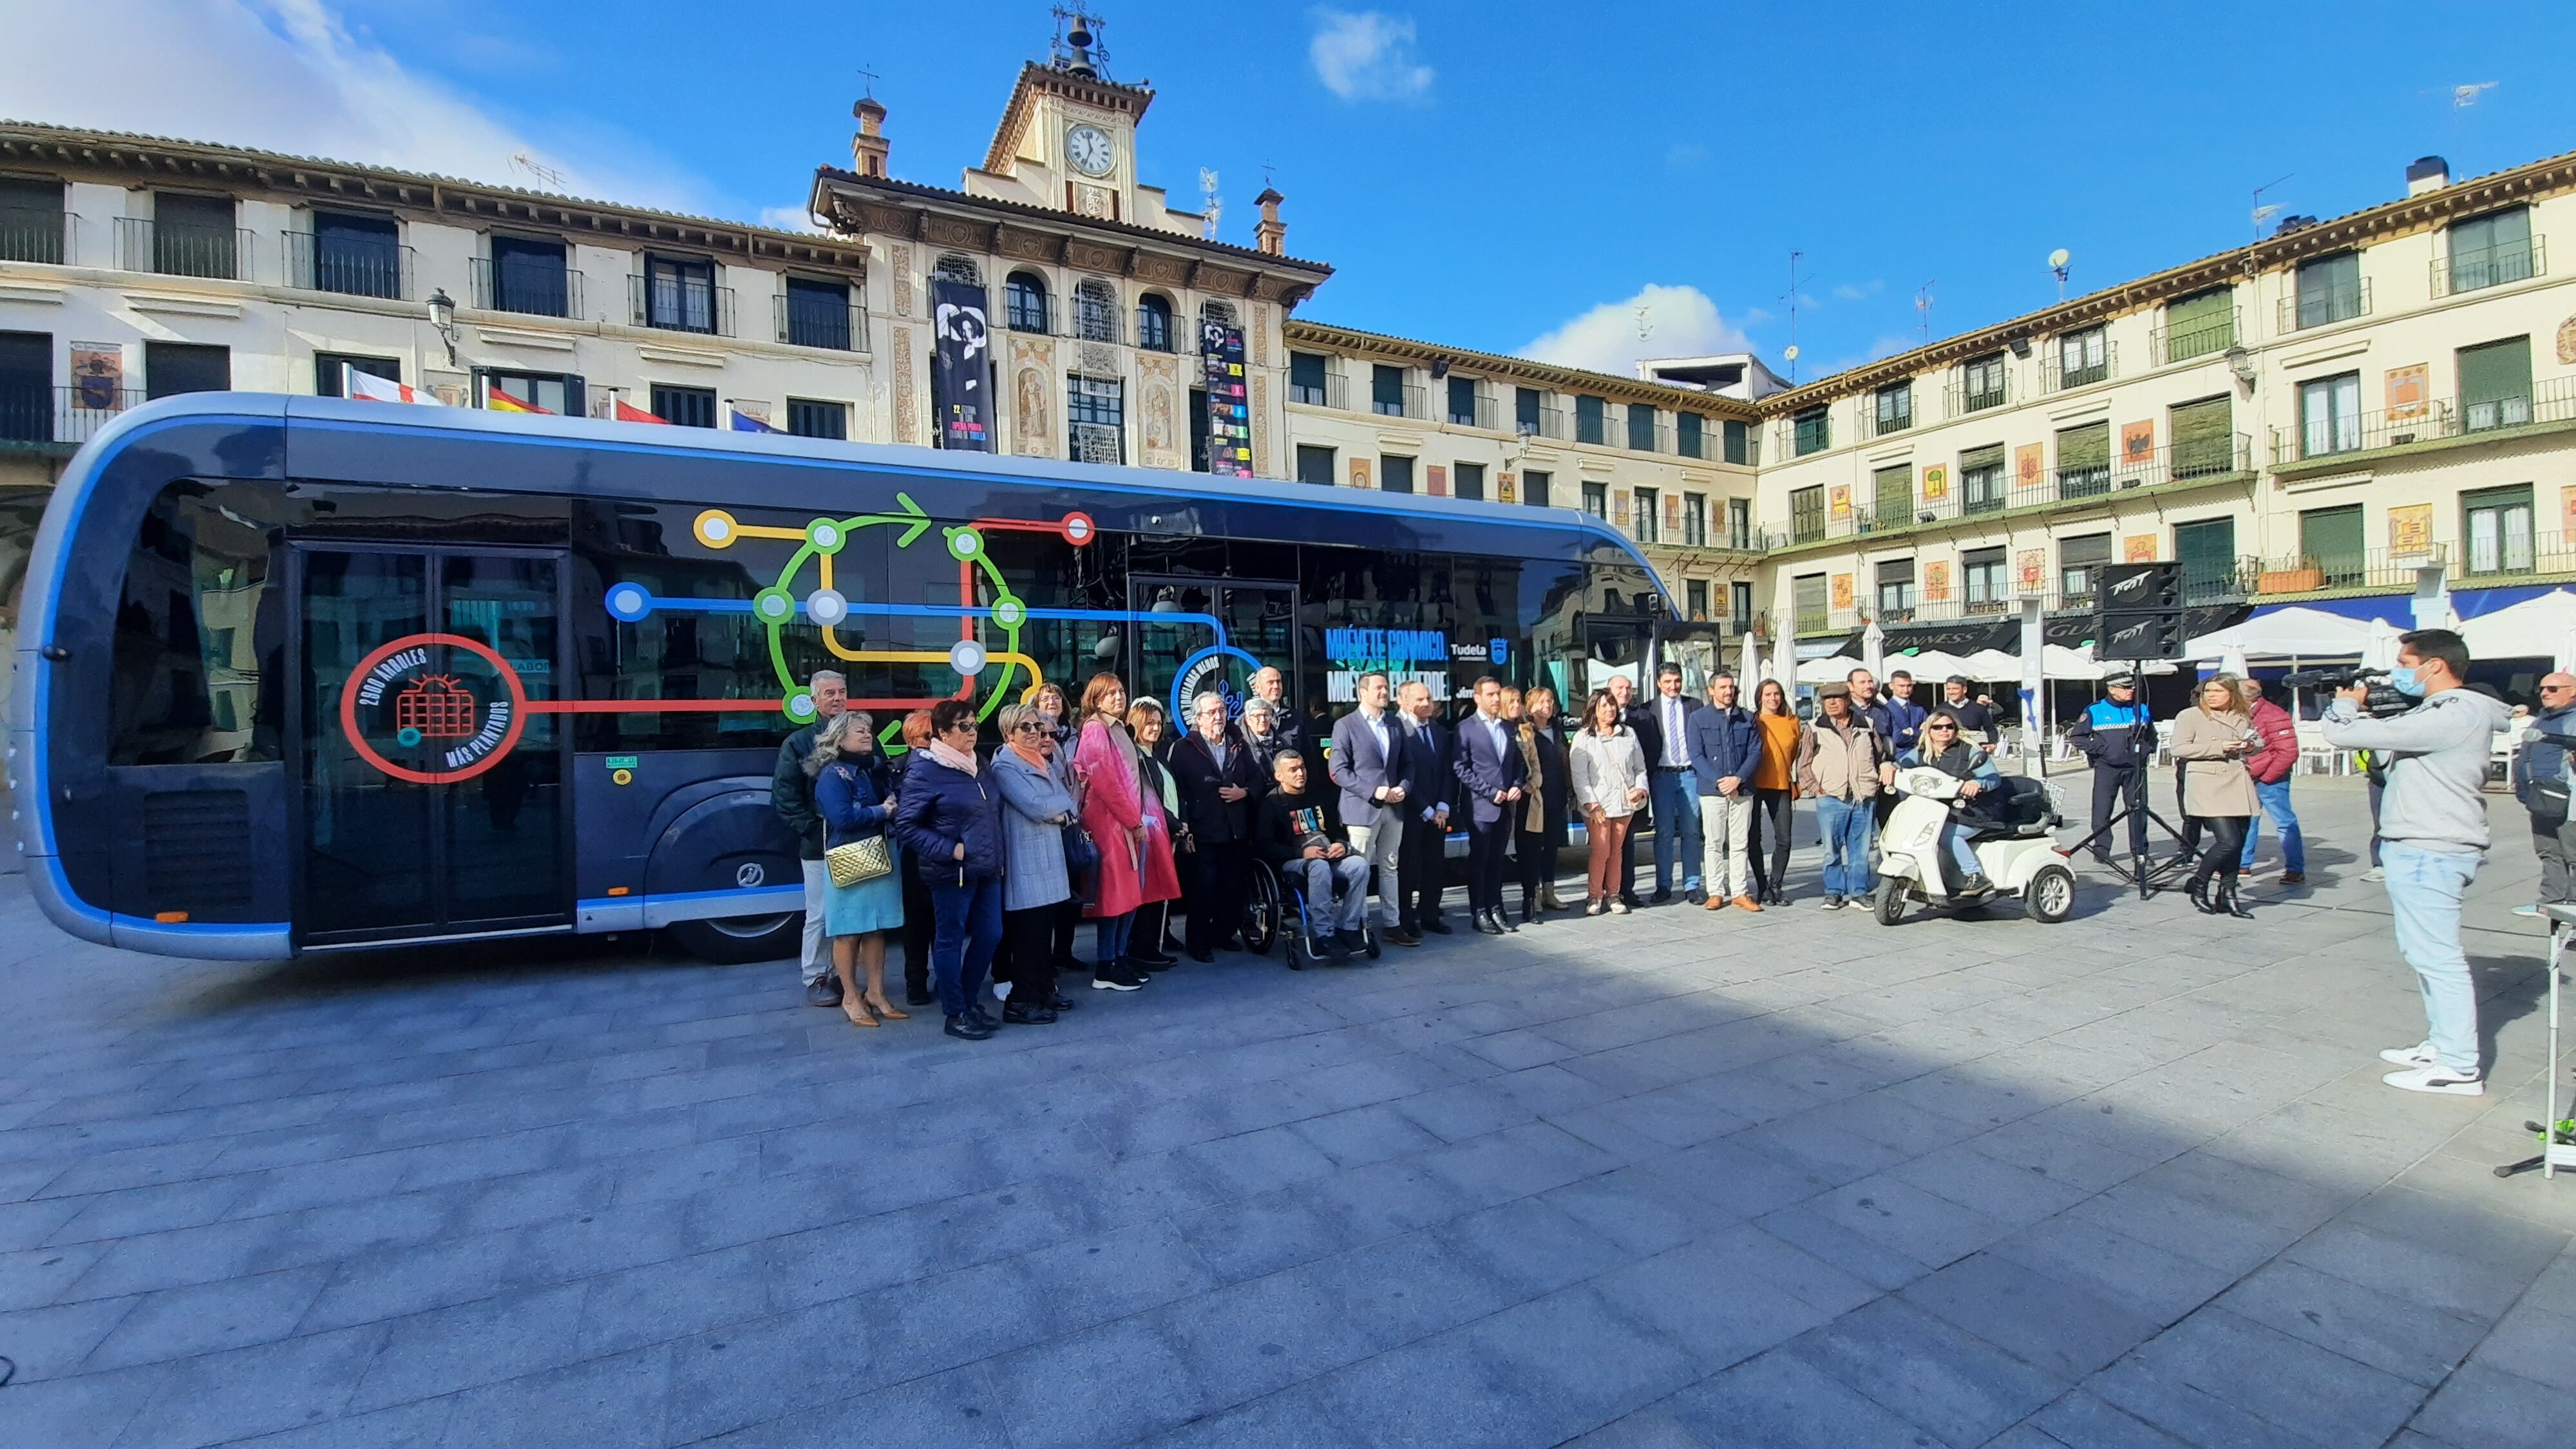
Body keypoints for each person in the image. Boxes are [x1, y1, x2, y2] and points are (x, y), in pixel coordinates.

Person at [2323, 629, 2509, 1095]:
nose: (2399, 672)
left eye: (2406, 662)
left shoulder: (2458, 711)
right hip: (2418, 841)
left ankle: (2460, 1066)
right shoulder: (2437, 712)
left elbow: (2339, 733)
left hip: (2433, 844)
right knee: (2422, 953)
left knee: (2439, 959)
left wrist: (2348, 704)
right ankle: (2443, 1045)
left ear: (2434, 665)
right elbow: (2384, 762)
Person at [893, 699, 1007, 1041]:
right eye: (963, 726)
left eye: (974, 724)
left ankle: (969, 1002)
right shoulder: (925, 770)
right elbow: (907, 825)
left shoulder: (978, 763)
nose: (972, 732)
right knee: (949, 940)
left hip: (986, 868)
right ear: (942, 733)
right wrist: (951, 850)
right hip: (951, 872)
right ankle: (955, 1012)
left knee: (990, 934)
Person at [808, 709, 905, 1028]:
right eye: (860, 731)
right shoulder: (833, 775)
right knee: (848, 931)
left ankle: (876, 993)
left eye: (869, 730)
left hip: (880, 854)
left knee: (876, 928)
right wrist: (882, 810)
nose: (868, 735)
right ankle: (851, 996)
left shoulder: (870, 770)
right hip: (852, 856)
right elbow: (843, 818)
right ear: (839, 739)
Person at [992, 703, 1079, 1025]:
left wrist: (1059, 809)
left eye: (1037, 727)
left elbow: (1065, 798)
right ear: (1008, 732)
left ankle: (1043, 989)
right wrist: (1057, 810)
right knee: (1029, 936)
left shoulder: (1042, 760)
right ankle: (1021, 1001)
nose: (1034, 733)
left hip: (1048, 858)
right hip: (1027, 861)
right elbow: (1036, 806)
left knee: (1043, 933)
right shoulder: (1005, 766)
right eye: (1025, 728)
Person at [770, 668, 848, 1008]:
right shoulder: (799, 743)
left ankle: (844, 975)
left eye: (842, 692)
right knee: (819, 912)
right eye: (829, 693)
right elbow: (785, 797)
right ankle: (816, 975)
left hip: (857, 841)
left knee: (849, 911)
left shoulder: (862, 735)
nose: (837, 698)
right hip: (819, 843)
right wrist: (813, 829)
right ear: (814, 701)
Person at [1169, 691, 1265, 961]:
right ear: (1198, 719)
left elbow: (1258, 779)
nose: (1218, 717)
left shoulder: (1238, 743)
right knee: (1204, 890)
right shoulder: (1184, 748)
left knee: (1233, 888)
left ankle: (1223, 935)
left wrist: (1243, 793)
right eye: (1211, 712)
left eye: (1222, 710)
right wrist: (1184, 828)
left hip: (1236, 828)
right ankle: (1199, 943)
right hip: (1203, 830)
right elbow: (1176, 792)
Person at [1072, 674, 1152, 991]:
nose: (1119, 697)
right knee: (1114, 897)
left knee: (1129, 896)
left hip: (1126, 822)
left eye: (1120, 691)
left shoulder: (1114, 728)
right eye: (1110, 693)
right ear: (1096, 698)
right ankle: (1106, 966)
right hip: (1110, 824)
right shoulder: (1096, 729)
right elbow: (1105, 781)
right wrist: (1134, 820)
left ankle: (1118, 958)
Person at [1255, 749, 1371, 957]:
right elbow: (1265, 847)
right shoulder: (1271, 804)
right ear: (1279, 776)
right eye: (1293, 770)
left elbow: (1338, 832)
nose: (1300, 773)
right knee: (1319, 867)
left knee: (1360, 865)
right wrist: (1301, 852)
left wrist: (1342, 846)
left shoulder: (1319, 795)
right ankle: (1324, 935)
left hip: (1328, 857)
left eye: (1302, 767)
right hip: (1293, 863)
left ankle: (1348, 928)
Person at [1328, 672, 1414, 943]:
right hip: (1362, 808)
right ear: (1362, 693)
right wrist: (1372, 791)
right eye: (1378, 688)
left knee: (1390, 867)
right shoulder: (1346, 725)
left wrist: (1404, 787)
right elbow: (1338, 770)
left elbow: (1408, 764)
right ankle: (1359, 924)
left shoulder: (1395, 724)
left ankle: (1392, 923)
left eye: (1386, 688)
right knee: (1360, 868)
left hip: (1394, 808)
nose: (1384, 692)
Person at [2171, 674, 2259, 920]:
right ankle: (2200, 883)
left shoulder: (2242, 715)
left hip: (2237, 781)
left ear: (2231, 694)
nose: (2211, 696)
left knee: (2239, 842)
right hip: (2207, 783)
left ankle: (2228, 894)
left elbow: (2257, 739)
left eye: (2218, 692)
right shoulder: (2190, 716)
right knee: (2228, 841)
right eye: (2208, 691)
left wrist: (2251, 746)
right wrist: (2220, 746)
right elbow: (2178, 749)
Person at [1794, 682, 1886, 909]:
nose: (1832, 703)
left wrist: (1873, 781)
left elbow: (1879, 754)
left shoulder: (1867, 725)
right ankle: (1833, 892)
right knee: (1831, 850)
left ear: (1848, 700)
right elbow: (1803, 763)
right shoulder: (1815, 728)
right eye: (1827, 700)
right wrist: (1816, 789)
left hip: (1863, 796)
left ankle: (1859, 892)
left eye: (1837, 699)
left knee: (1861, 849)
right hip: (1831, 796)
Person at [1454, 674, 1529, 936]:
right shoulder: (1466, 728)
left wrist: (1517, 785)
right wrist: (1490, 792)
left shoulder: (1509, 728)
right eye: (1490, 695)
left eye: (1498, 694)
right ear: (1477, 698)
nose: (1497, 699)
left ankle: (1497, 907)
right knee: (1480, 860)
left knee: (1498, 861)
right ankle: (1480, 911)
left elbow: (1518, 764)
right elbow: (1461, 768)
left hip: (1506, 806)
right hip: (1480, 807)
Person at [1896, 710, 2002, 892]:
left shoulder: (1968, 750)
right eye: (1937, 727)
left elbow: (1993, 777)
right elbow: (1902, 766)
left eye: (1949, 726)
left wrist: (1978, 782)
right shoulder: (1921, 753)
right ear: (1929, 730)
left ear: (1955, 729)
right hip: (1936, 810)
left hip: (1972, 810)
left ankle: (1975, 875)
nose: (1944, 731)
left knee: (1945, 834)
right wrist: (1888, 767)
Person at [1567, 689, 1649, 915]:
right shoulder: (1584, 737)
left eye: (1612, 705)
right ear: (1594, 709)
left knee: (1617, 851)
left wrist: (1640, 789)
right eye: (1604, 705)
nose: (1609, 709)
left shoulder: (1628, 734)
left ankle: (1614, 894)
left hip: (1624, 803)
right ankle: (1594, 896)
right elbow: (1579, 775)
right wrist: (1592, 805)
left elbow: (1639, 767)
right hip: (1597, 806)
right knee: (1601, 850)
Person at [1687, 672, 1761, 911]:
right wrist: (1721, 780)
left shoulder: (1747, 718)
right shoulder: (1698, 718)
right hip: (1712, 790)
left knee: (1740, 842)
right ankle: (1716, 892)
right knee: (1714, 842)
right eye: (1723, 687)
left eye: (1731, 687)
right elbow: (1696, 755)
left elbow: (1755, 752)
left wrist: (1738, 778)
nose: (1728, 691)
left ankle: (1740, 892)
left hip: (1742, 789)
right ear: (1712, 691)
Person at [1030, 683, 1088, 981]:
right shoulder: (1031, 738)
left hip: (1073, 818)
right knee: (1050, 895)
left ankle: (1065, 951)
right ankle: (1045, 958)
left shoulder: (1075, 734)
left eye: (1056, 697)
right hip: (1050, 821)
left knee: (1072, 890)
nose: (1052, 701)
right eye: (1045, 697)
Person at [2069, 671, 2156, 865]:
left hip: (2135, 769)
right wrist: (2101, 750)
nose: (2131, 691)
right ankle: (2102, 850)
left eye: (2132, 687)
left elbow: (2152, 735)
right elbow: (2077, 737)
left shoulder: (2141, 708)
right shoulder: (2095, 710)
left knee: (2139, 810)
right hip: (2107, 768)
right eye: (2126, 688)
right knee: (2102, 810)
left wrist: (2147, 751)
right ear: (2112, 689)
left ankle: (2140, 851)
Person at [1638, 661, 1707, 905]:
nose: (1673, 686)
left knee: (1691, 831)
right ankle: (1664, 886)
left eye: (1677, 681)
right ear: (1658, 683)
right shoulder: (1648, 710)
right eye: (1667, 682)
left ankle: (1692, 885)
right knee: (1664, 833)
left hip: (1689, 774)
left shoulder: (1694, 706)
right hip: (1662, 776)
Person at [1394, 679, 1457, 941]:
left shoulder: (1439, 731)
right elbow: (1401, 773)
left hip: (1438, 813)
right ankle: (1405, 918)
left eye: (1429, 699)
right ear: (1403, 701)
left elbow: (1447, 771)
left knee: (1435, 864)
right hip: (1411, 812)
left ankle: (1430, 913)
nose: (1427, 704)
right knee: (1408, 867)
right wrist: (1426, 810)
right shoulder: (1396, 730)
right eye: (1420, 700)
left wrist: (1443, 806)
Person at [1126, 699, 1187, 970]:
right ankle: (1144, 949)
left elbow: (1174, 792)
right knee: (1149, 896)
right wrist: (1175, 824)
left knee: (1159, 895)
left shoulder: (1158, 754)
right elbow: (1148, 800)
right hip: (1151, 836)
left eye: (1159, 723)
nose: (1155, 727)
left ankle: (1155, 943)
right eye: (1149, 722)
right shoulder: (1135, 758)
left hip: (1169, 833)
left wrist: (1181, 824)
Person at [2512, 672, 2576, 916]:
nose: (2545, 693)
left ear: (2572, 690)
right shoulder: (2542, 719)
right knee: (2549, 852)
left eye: (2553, 688)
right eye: (2542, 689)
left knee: (2574, 854)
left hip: (2568, 800)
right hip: (2540, 798)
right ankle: (2551, 901)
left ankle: (2572, 910)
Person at [891, 710, 940, 1006]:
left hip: (938, 854)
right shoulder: (899, 769)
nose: (933, 741)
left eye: (936, 735)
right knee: (917, 923)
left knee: (942, 922)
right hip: (916, 855)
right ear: (912, 741)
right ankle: (916, 982)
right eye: (927, 736)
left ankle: (940, 979)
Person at [2237, 677, 2306, 885]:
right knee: (2247, 821)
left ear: (2245, 696)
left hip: (2271, 778)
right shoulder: (2238, 715)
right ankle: (2242, 864)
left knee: (2285, 822)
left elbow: (2288, 752)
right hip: (2246, 776)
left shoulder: (2275, 715)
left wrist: (2267, 777)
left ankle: (2295, 869)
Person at [1515, 685, 1572, 923]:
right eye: (1541, 702)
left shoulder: (1557, 730)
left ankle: (1550, 892)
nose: (1547, 706)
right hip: (1535, 799)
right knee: (1533, 849)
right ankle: (1533, 895)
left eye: (1550, 701)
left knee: (1551, 847)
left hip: (1557, 796)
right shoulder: (1526, 731)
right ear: (1530, 706)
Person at [1747, 677, 1804, 905]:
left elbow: (1797, 753)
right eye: (1768, 694)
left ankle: (1776, 884)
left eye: (1777, 694)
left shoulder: (1792, 721)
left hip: (1781, 785)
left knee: (1785, 839)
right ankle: (1762, 886)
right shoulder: (1752, 720)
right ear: (1760, 697)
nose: (1773, 699)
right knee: (1754, 839)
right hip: (1754, 785)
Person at [1605, 672, 1649, 908]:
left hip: (1629, 796)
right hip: (1604, 796)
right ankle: (1604, 891)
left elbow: (1648, 752)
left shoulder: (1641, 718)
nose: (1625, 692)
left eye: (1628, 688)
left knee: (1627, 843)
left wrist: (1641, 787)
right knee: (1603, 847)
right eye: (1619, 688)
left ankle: (1626, 890)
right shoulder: (1593, 720)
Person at [1251, 666, 1304, 759]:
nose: (1276, 686)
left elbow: (1308, 755)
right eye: (1270, 682)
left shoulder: (1295, 717)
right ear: (1258, 687)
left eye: (1279, 682)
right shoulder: (1247, 719)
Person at [1240, 697, 1289, 782]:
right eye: (1257, 716)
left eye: (1266, 715)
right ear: (1248, 720)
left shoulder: (1281, 742)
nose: (1263, 720)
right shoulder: (1241, 745)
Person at [1882, 670, 1929, 757]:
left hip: (1923, 754)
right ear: (1891, 686)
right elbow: (1898, 739)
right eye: (1902, 686)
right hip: (1899, 757)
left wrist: (1910, 732)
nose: (1906, 690)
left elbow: (1930, 733)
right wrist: (1919, 732)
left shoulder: (1919, 709)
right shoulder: (1886, 710)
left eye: (1909, 686)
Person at [1940, 676, 1998, 746]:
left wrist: (1992, 744)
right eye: (1948, 689)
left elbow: (1990, 729)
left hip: (1973, 750)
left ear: (1964, 689)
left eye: (1955, 689)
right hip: (1946, 751)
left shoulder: (1979, 708)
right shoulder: (1939, 710)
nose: (1951, 692)